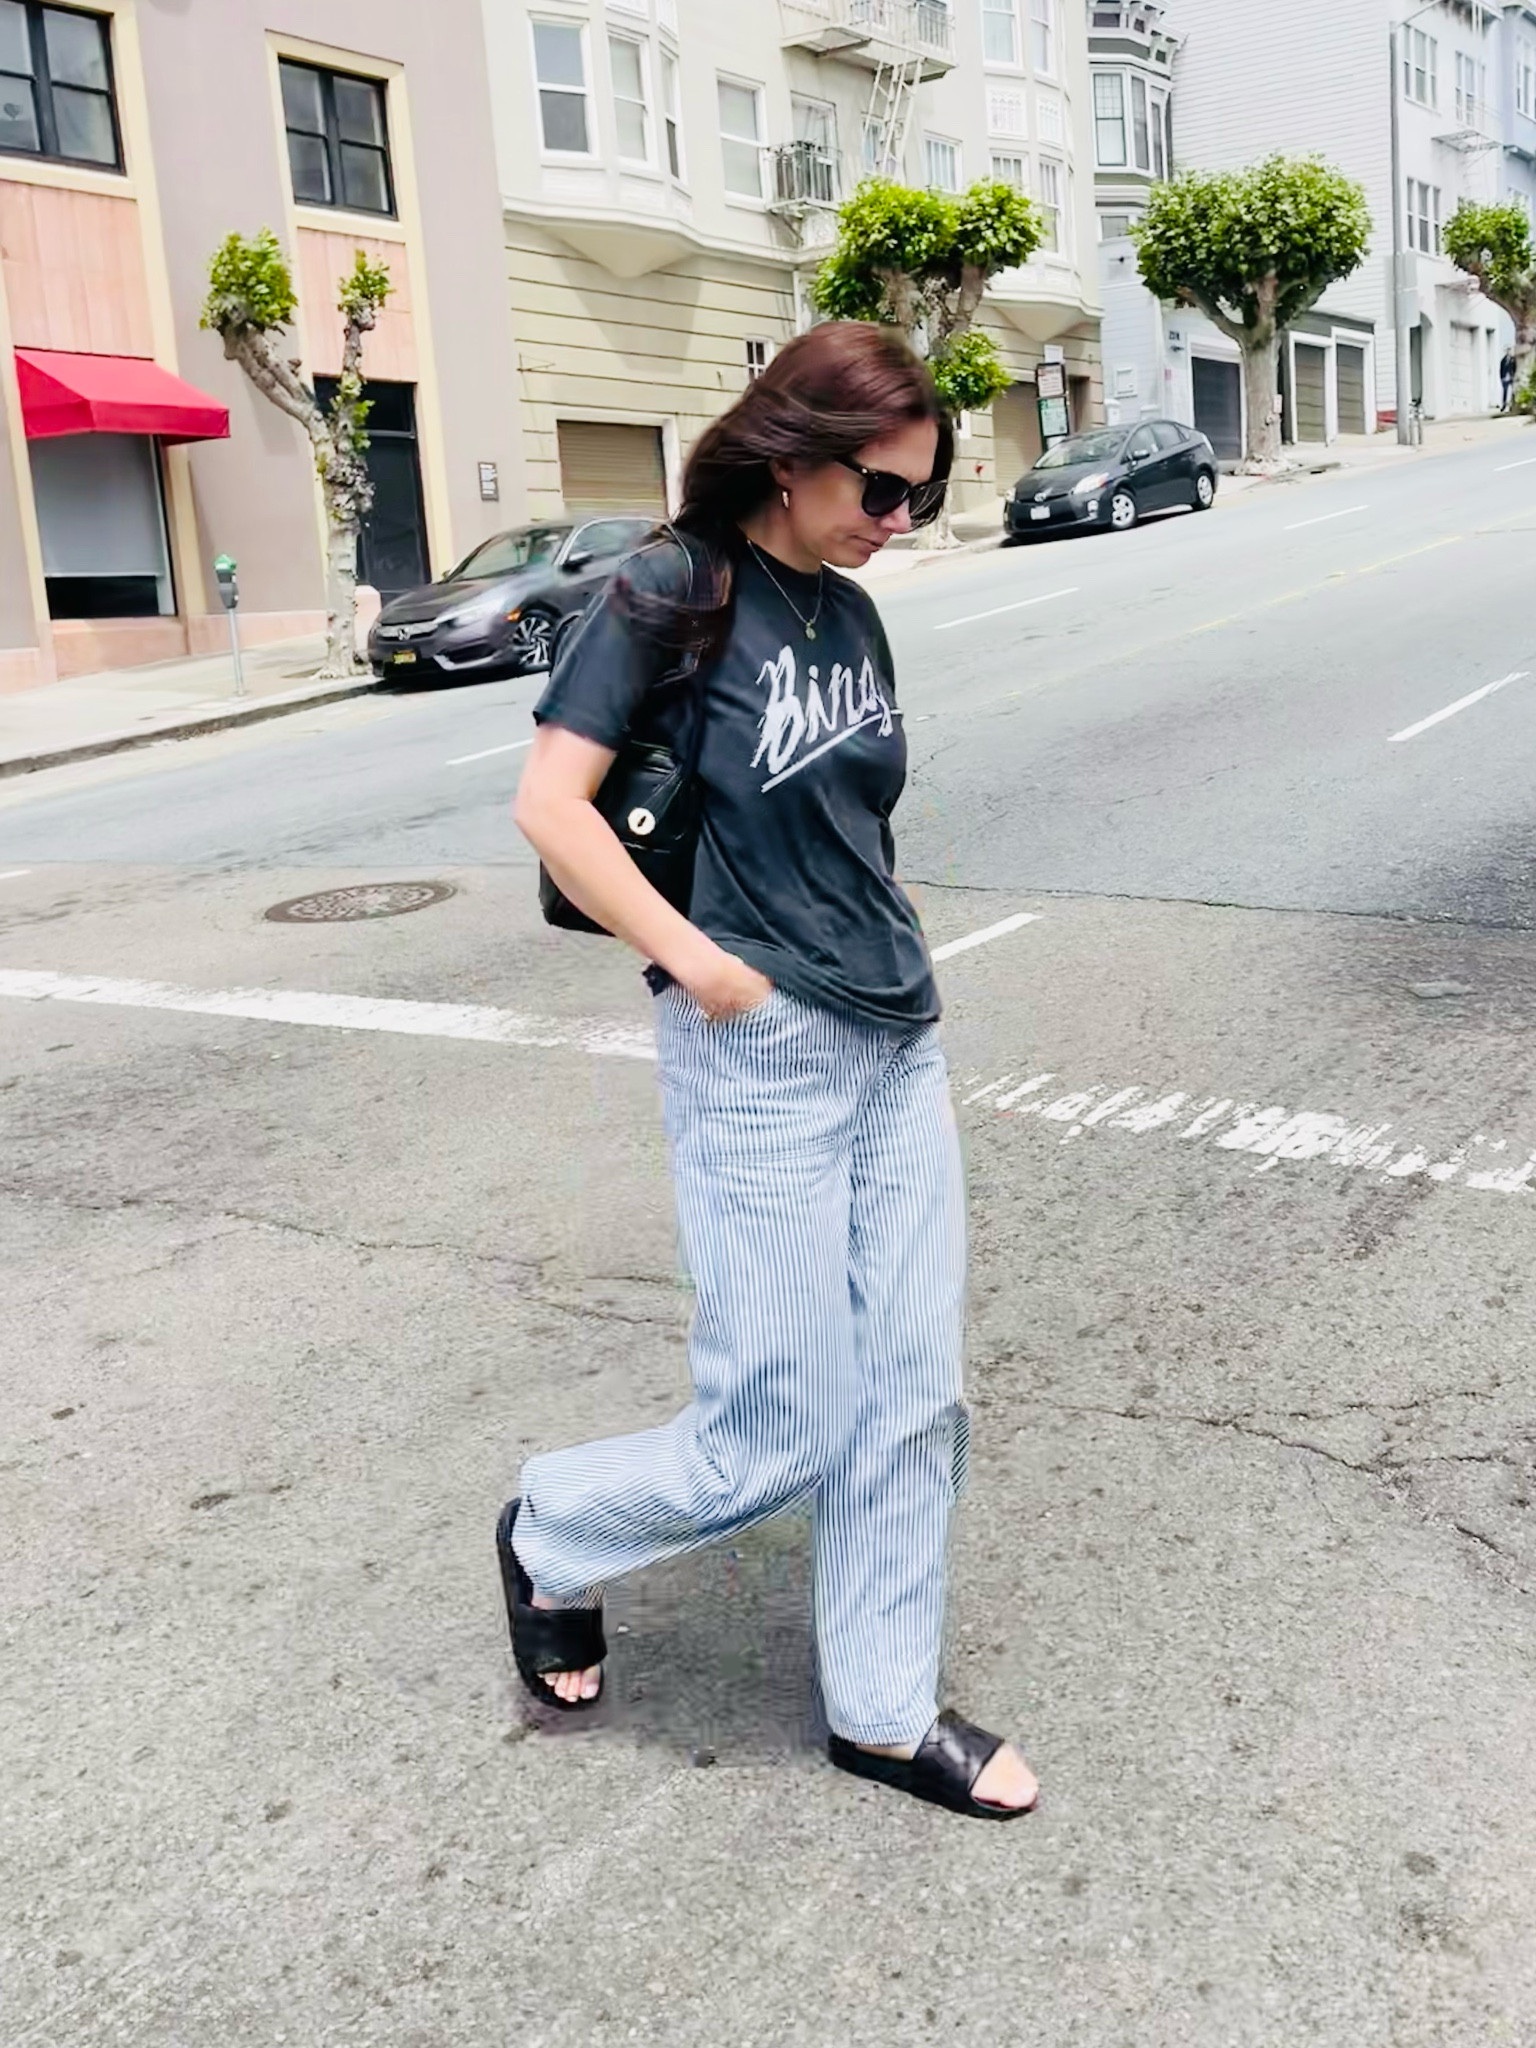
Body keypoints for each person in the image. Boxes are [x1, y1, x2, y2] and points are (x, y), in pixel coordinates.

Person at [500, 321, 1037, 1822]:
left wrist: (890, 908)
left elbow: (847, 802)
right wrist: (702, 958)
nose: (899, 521)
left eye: (921, 497)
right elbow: (554, 805)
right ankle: (556, 1528)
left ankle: (879, 1708)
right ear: (792, 456)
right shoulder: (669, 587)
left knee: (914, 1397)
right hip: (758, 1054)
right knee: (781, 1429)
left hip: (895, 1037)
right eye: (882, 490)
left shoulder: (852, 617)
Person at [1500, 347, 1517, 413]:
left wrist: (1514, 376)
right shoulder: (1503, 360)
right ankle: (1504, 405)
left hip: (1511, 378)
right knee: (1505, 392)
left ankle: (1512, 406)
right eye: (1507, 351)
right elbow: (1501, 370)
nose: (1508, 352)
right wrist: (1502, 377)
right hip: (1505, 378)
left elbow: (1515, 368)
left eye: (1509, 351)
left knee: (1512, 392)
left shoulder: (1513, 359)